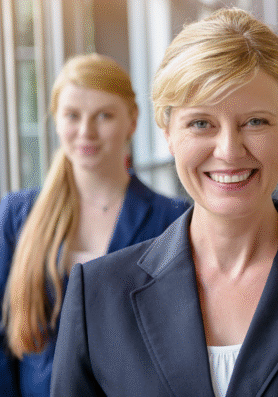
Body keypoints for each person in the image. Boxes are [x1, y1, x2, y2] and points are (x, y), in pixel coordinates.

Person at [50, 8, 278, 397]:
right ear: (168, 132)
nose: (229, 151)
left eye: (255, 122)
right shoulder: (97, 294)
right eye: (201, 123)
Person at [0, 53, 188, 396]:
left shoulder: (172, 220)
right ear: (56, 120)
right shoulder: (15, 215)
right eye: (72, 115)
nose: (85, 131)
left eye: (104, 115)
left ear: (132, 120)